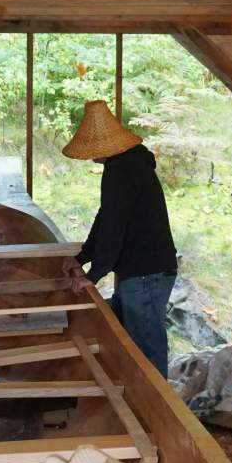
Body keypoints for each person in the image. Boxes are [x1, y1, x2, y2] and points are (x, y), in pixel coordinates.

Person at [60, 100, 178, 376]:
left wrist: (93, 275)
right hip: (144, 271)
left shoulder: (121, 170)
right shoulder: (130, 164)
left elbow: (114, 226)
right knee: (135, 343)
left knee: (147, 347)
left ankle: (161, 414)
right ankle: (149, 408)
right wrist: (83, 256)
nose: (91, 157)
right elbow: (107, 216)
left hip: (146, 273)